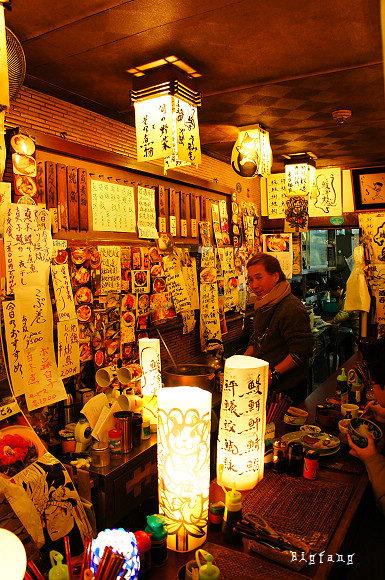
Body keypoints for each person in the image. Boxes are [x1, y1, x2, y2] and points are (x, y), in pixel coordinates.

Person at [244, 253, 314, 404]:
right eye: (250, 279)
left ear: (275, 276)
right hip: (265, 385)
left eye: (259, 277)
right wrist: (240, 364)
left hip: (287, 390)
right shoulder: (263, 304)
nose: (254, 285)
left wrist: (273, 374)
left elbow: (302, 352)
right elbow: (256, 340)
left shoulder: (290, 307)